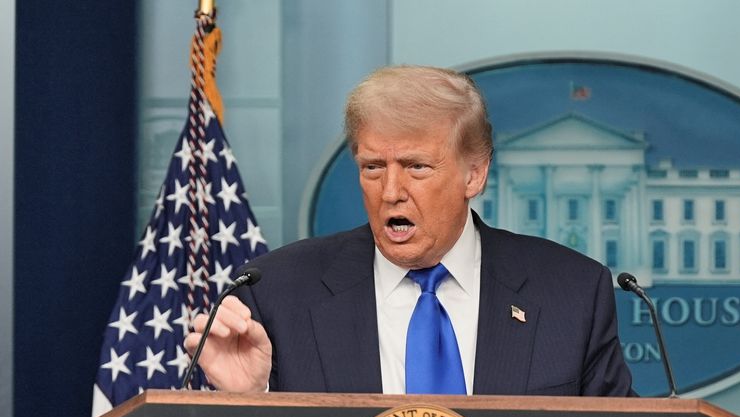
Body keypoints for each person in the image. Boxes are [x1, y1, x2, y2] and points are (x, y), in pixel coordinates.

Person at [184, 65, 635, 396]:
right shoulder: (278, 292)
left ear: (473, 175)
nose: (391, 191)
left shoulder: (571, 291)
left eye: (417, 167)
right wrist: (250, 402)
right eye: (373, 167)